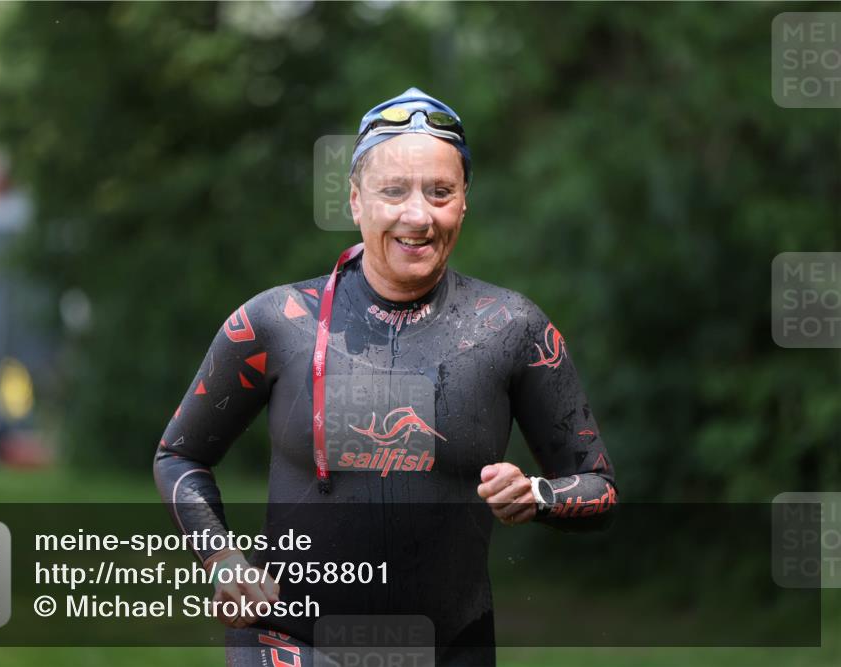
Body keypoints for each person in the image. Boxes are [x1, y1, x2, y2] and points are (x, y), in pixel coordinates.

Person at [154, 87, 617, 666]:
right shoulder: (276, 323)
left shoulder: (510, 328)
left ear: (465, 201)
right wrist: (222, 559)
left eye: (440, 192)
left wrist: (539, 494)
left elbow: (598, 485)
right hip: (290, 645)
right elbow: (180, 455)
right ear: (355, 201)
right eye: (393, 191)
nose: (417, 215)